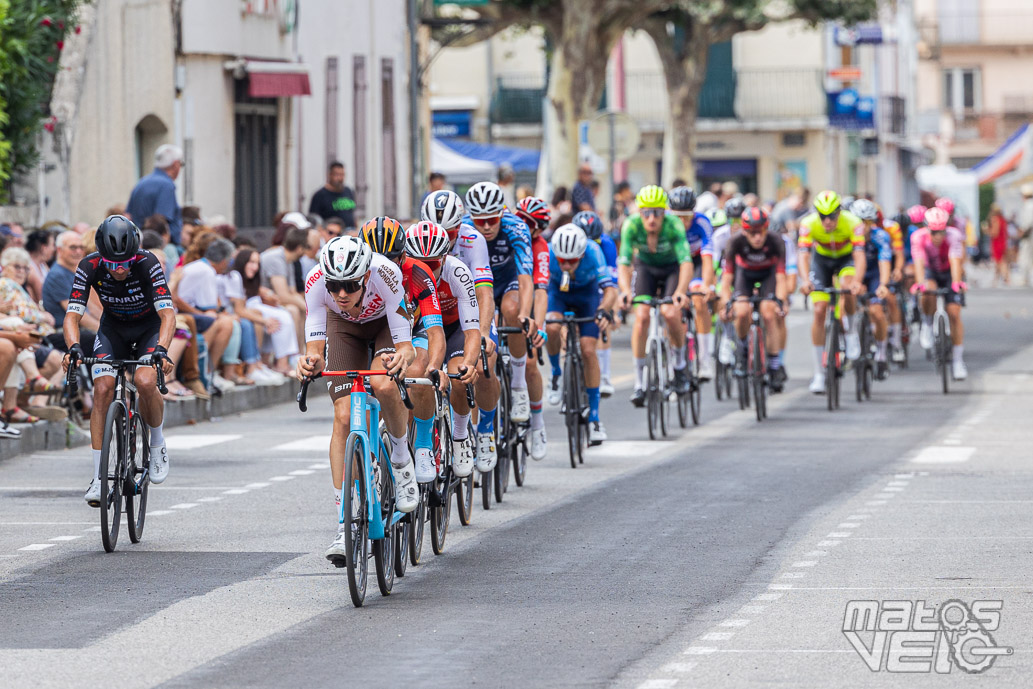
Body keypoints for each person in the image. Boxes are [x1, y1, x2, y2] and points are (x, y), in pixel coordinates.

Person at [297, 236, 418, 563]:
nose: (341, 294)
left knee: (383, 384)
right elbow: (314, 338)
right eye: (335, 286)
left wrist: (403, 356)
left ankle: (402, 459)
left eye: (350, 286)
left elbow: (405, 343)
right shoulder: (315, 281)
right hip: (344, 330)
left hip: (383, 327)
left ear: (365, 277)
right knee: (345, 416)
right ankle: (345, 523)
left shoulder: (386, 273)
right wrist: (310, 360)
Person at [62, 216, 176, 505]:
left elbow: (167, 315)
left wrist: (161, 349)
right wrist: (73, 347)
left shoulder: (148, 262)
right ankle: (99, 478)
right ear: (102, 257)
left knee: (145, 380)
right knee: (102, 388)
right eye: (113, 264)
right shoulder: (88, 265)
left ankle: (158, 442)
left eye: (125, 263)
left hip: (149, 328)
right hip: (113, 329)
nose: (121, 270)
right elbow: (72, 315)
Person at [360, 216, 446, 483]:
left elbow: (435, 331)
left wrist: (434, 367)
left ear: (403, 256)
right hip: (378, 330)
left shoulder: (419, 273)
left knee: (418, 373)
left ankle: (421, 446)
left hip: (414, 328)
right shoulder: (358, 273)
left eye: (392, 259)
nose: (384, 267)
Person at [420, 189, 501, 470]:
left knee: (482, 361)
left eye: (450, 233)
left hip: (464, 314)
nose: (443, 239)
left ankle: (479, 431)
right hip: (427, 317)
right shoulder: (415, 241)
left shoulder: (471, 240)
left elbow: (483, 295)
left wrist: (486, 333)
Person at [463, 181, 539, 467]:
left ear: (501, 213)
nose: (485, 227)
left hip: (505, 284)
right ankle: (481, 426)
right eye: (479, 220)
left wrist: (526, 315)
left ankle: (518, 385)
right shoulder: (465, 229)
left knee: (512, 308)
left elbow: (526, 278)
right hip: (474, 287)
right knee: (486, 365)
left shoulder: (515, 226)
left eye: (491, 220)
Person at [404, 221, 481, 476]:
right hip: (425, 329)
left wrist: (469, 363)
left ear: (445, 258)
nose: (426, 270)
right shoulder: (406, 274)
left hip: (455, 327)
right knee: (419, 374)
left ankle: (460, 437)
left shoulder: (457, 272)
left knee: (460, 376)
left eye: (433, 264)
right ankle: (421, 443)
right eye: (420, 262)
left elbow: (472, 330)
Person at [617, 185, 692, 405]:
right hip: (646, 269)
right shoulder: (630, 225)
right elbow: (624, 263)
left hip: (671, 269)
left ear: (664, 213)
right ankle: (639, 383)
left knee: (670, 313)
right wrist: (624, 292)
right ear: (639, 212)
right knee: (641, 317)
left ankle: (679, 365)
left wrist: (680, 292)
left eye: (658, 213)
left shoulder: (674, 225)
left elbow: (686, 262)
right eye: (646, 213)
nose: (652, 219)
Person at [544, 224, 617, 443]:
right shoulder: (547, 254)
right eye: (561, 260)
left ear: (582, 254)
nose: (565, 265)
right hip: (559, 294)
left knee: (588, 350)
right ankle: (556, 373)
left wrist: (604, 310)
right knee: (552, 327)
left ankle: (594, 418)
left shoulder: (594, 252)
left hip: (587, 297)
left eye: (572, 261)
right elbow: (538, 289)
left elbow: (611, 290)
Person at [797, 190, 866, 394]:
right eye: (823, 216)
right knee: (819, 310)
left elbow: (860, 255)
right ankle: (819, 373)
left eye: (832, 216)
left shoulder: (853, 222)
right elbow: (803, 255)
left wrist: (858, 282)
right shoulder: (808, 224)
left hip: (846, 260)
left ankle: (851, 332)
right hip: (822, 261)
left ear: (839, 212)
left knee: (847, 287)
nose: (827, 221)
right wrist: (806, 280)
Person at [719, 207, 787, 386]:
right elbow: (727, 279)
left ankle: (774, 365)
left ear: (767, 229)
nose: (757, 237)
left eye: (761, 232)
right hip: (744, 276)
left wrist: (781, 301)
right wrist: (726, 303)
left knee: (769, 313)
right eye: (752, 233)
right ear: (744, 231)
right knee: (741, 312)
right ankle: (742, 351)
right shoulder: (735, 242)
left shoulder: (776, 241)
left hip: (768, 275)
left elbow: (781, 277)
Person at [515, 197, 553, 459]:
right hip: (504, 296)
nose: (521, 225)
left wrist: (538, 326)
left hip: (526, 302)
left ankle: (537, 423)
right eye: (519, 218)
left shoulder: (539, 246)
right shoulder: (508, 235)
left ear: (538, 229)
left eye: (527, 223)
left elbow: (540, 291)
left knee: (530, 363)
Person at [667, 186, 717, 381]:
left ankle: (704, 360)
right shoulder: (666, 224)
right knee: (668, 308)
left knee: (699, 300)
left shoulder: (702, 223)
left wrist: (707, 285)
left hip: (695, 263)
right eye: (677, 216)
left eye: (687, 216)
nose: (682, 222)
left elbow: (707, 259)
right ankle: (673, 358)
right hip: (674, 266)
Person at [911, 207, 968, 379]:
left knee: (954, 313)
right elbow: (919, 263)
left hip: (948, 272)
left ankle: (958, 361)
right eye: (934, 231)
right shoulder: (918, 237)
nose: (938, 236)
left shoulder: (954, 235)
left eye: (941, 231)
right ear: (927, 227)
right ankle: (928, 323)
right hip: (931, 272)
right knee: (928, 292)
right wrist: (920, 284)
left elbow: (955, 261)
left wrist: (957, 282)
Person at [571, 210, 617, 396]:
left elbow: (611, 283)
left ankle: (604, 376)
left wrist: (612, 310)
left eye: (594, 242)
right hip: (573, 284)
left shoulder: (606, 244)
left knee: (602, 318)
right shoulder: (565, 243)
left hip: (595, 284)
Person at [231, 248, 298, 375]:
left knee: (283, 315)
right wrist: (264, 320)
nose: (255, 267)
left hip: (255, 308)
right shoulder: (235, 277)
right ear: (242, 262)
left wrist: (270, 298)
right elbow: (239, 309)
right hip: (243, 313)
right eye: (251, 262)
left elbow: (262, 294)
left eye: (257, 263)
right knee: (278, 319)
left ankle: (273, 362)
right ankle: (277, 364)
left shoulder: (254, 282)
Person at [851, 199, 895, 379]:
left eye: (867, 222)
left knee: (877, 312)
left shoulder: (881, 236)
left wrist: (884, 285)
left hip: (875, 273)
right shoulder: (847, 235)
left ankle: (882, 354)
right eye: (859, 221)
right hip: (855, 273)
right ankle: (848, 340)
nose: (863, 226)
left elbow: (885, 261)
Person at [261, 226, 309, 349]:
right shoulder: (276, 259)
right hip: (261, 299)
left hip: (274, 300)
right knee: (294, 310)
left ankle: (300, 353)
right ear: (299, 249)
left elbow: (292, 292)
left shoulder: (288, 260)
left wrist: (307, 307)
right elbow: (283, 295)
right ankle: (290, 355)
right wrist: (307, 308)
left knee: (301, 310)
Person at [127, 144, 184, 245]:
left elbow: (128, 215)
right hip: (159, 246)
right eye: (181, 164)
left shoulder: (142, 182)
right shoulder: (166, 185)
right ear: (175, 164)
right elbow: (161, 221)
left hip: (140, 243)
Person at [43, 231, 98, 332]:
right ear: (59, 250)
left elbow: (91, 307)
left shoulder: (74, 272)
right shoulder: (57, 275)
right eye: (73, 247)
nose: (78, 252)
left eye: (81, 248)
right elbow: (77, 315)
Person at [308, 161, 356, 231]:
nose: (340, 178)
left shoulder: (348, 191)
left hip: (350, 232)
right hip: (332, 235)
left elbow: (353, 214)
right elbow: (314, 220)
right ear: (330, 175)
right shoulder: (320, 195)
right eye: (337, 175)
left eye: (342, 175)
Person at [25, 229, 54, 303]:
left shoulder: (43, 264)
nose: (54, 249)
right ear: (44, 248)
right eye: (52, 245)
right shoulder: (28, 265)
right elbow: (41, 294)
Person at [988, 204, 1009, 286]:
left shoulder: (995, 219)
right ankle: (996, 280)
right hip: (1003, 242)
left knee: (1000, 261)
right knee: (1000, 261)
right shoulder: (1003, 219)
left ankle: (1006, 279)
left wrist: (987, 231)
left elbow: (995, 233)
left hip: (997, 242)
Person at [1016, 184, 1033, 286]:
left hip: (1029, 235)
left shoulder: (1028, 206)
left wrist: (1022, 231)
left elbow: (1027, 222)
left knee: (1025, 256)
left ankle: (1024, 277)